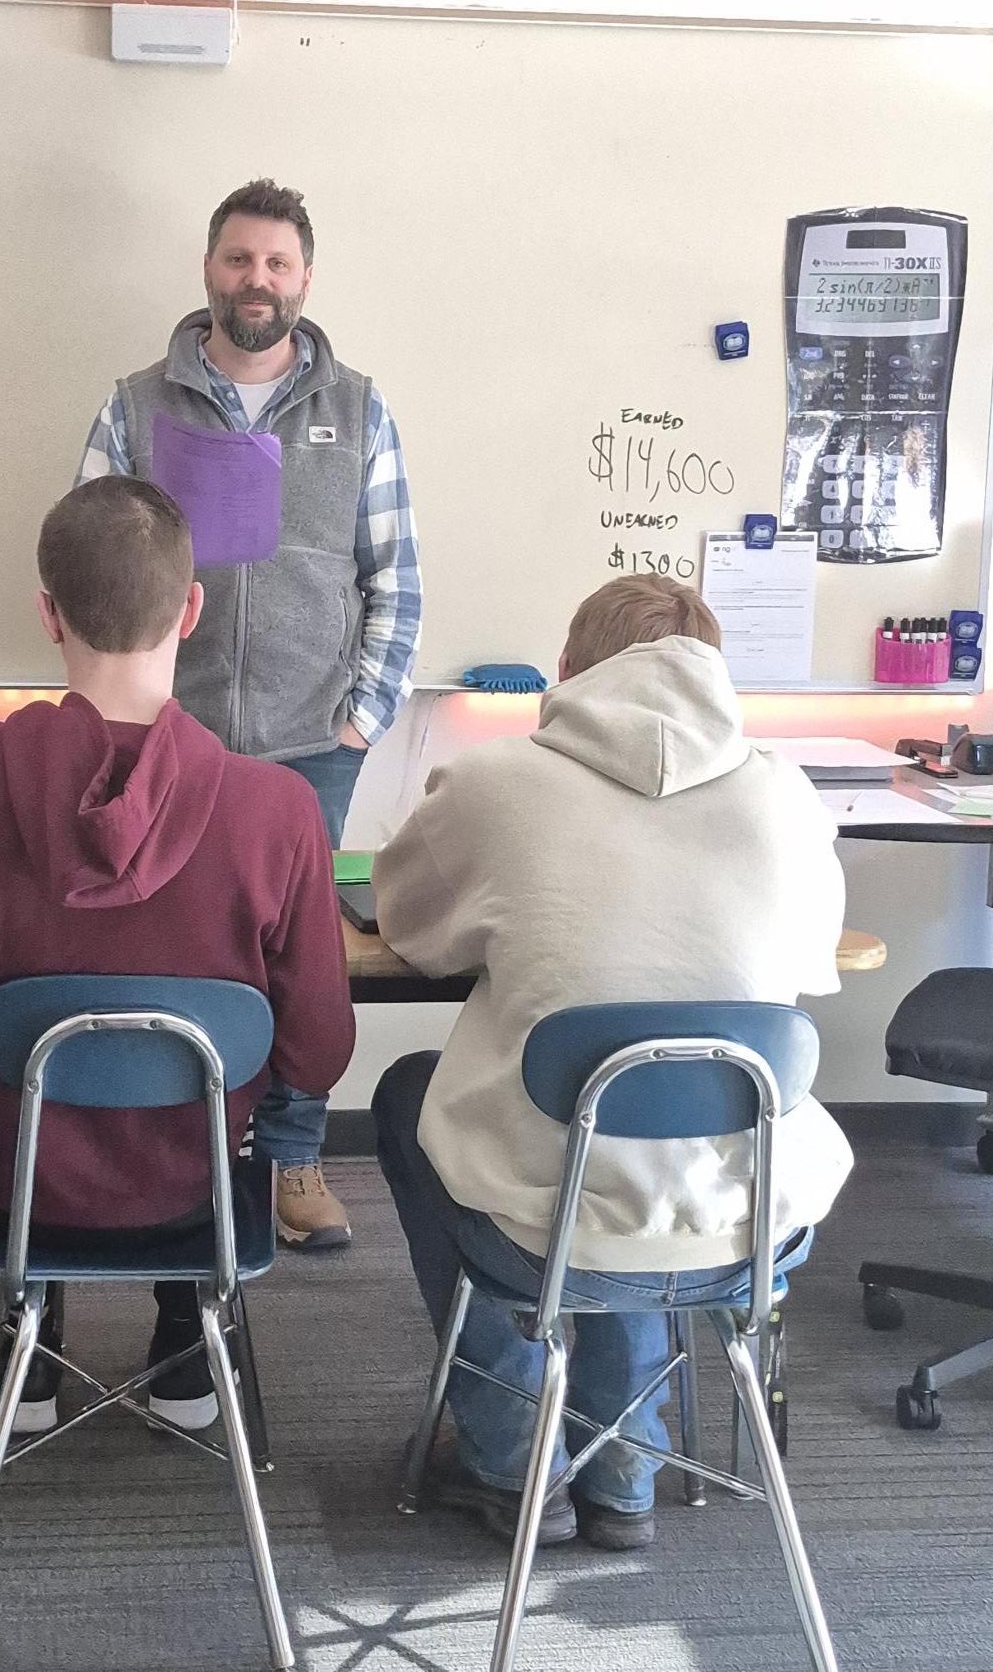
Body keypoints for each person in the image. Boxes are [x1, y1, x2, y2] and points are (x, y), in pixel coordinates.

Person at [371, 575, 852, 1550]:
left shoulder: (493, 786)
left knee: (409, 1095)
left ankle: (515, 1461)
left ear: (567, 673)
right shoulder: (787, 796)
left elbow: (409, 927)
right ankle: (625, 1463)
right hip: (742, 1223)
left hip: (547, 1213)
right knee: (653, 1135)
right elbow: (811, 962)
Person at [0, 475, 355, 1434]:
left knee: (6, 1103)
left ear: (47, 613)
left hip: (9, 1173)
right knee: (220, 1117)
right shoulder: (277, 808)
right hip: (196, 1183)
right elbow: (316, 1048)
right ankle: (186, 1345)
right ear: (192, 608)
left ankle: (28, 1335)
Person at [76, 176, 421, 1251]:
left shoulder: (360, 409)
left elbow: (394, 581)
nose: (255, 279)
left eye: (276, 263)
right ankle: (171, 1158)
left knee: (296, 960)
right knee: (159, 948)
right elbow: (87, 564)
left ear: (303, 279)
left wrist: (360, 717)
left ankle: (294, 1162)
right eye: (238, 260)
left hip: (311, 743)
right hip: (154, 738)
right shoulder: (136, 403)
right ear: (209, 270)